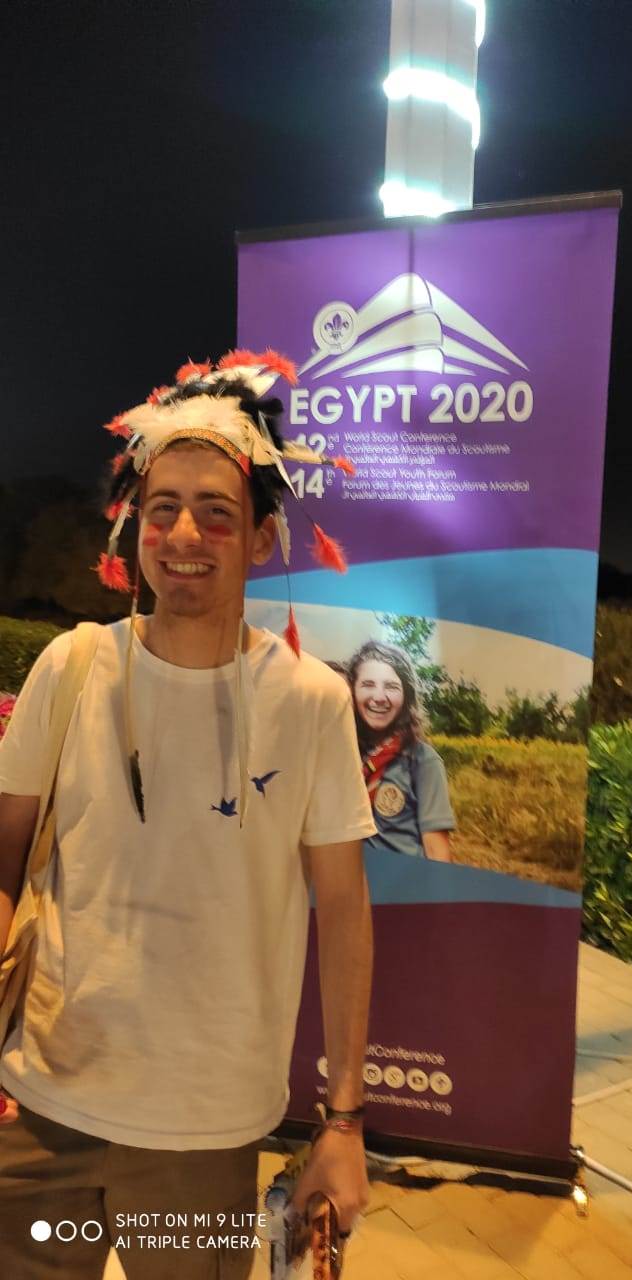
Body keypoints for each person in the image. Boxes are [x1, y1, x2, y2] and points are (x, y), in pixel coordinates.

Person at [0, 350, 376, 1279]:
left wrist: (344, 1122)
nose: (183, 534)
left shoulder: (310, 702)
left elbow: (344, 912)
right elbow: (3, 860)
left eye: (217, 512)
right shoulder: (72, 667)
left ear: (262, 538)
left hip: (201, 1137)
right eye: (161, 507)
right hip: (39, 1114)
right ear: (133, 526)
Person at [348, 641, 455, 862]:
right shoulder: (343, 753)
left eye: (391, 687)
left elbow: (437, 852)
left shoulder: (423, 760)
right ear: (352, 691)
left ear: (406, 696)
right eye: (368, 684)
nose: (379, 697)